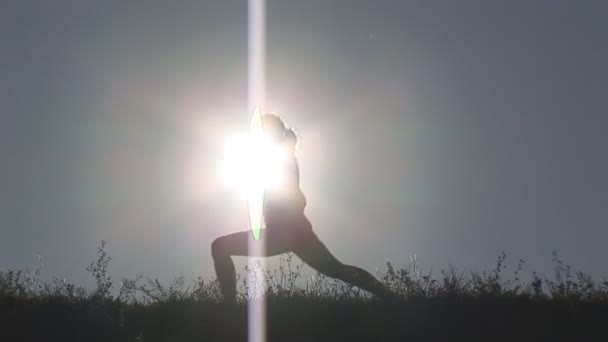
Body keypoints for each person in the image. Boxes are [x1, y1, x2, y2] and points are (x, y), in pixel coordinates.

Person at [211, 114, 390, 303]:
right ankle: (390, 297)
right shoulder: (277, 156)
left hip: (290, 232)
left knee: (220, 246)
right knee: (335, 269)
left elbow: (296, 198)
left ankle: (229, 305)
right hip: (285, 233)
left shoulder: (281, 157)